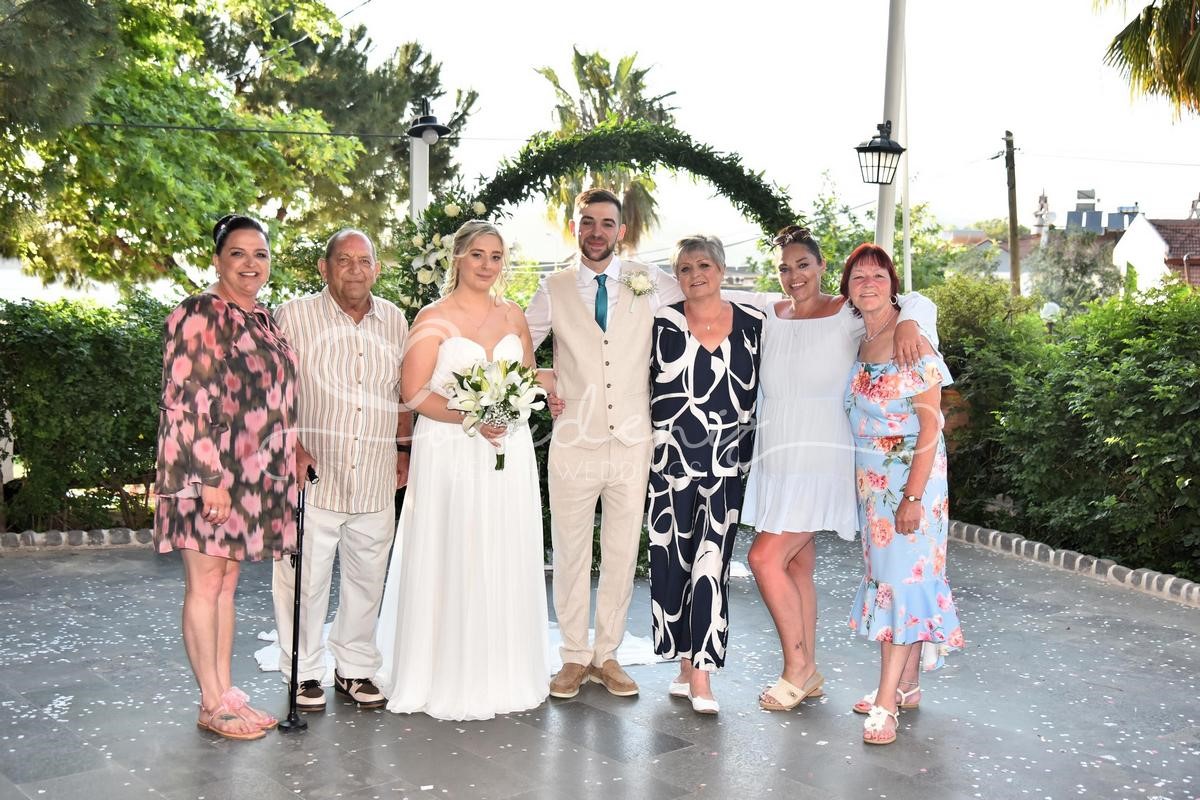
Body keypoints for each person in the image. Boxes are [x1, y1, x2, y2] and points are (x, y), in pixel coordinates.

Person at [742, 225, 940, 712]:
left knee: (764, 559)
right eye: (785, 267)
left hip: (821, 457)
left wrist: (912, 320)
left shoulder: (847, 313)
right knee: (795, 563)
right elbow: (700, 287)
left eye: (803, 265)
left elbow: (912, 300)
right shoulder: (770, 312)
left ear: (822, 267)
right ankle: (810, 669)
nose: (794, 275)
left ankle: (797, 669)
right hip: (778, 457)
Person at [376, 220, 550, 721]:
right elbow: (413, 392)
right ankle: (442, 670)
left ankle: (504, 669)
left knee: (502, 546)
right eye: (477, 254)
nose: (487, 265)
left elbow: (526, 378)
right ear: (457, 258)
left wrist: (523, 402)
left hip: (508, 451)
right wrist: (473, 416)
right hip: (451, 451)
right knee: (456, 545)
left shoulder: (514, 314)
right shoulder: (433, 317)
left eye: (496, 256)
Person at [154, 214, 296, 741]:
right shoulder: (202, 312)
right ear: (217, 260)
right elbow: (187, 400)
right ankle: (212, 702)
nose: (250, 264)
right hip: (208, 472)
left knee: (226, 584)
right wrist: (210, 478)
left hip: (250, 475)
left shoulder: (262, 318)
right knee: (206, 582)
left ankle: (224, 691)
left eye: (260, 254)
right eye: (238, 253)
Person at [270, 229, 411, 712]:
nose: (355, 270)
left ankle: (354, 668)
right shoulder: (293, 316)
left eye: (364, 261)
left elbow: (402, 393)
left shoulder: (394, 320)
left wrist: (404, 450)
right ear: (324, 268)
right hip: (314, 475)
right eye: (344, 260)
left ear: (377, 268)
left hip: (374, 474)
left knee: (367, 579)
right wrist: (290, 444)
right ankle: (304, 672)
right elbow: (274, 389)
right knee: (303, 581)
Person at [841, 242, 964, 745]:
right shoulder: (863, 340)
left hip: (913, 484)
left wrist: (912, 498)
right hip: (875, 490)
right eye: (858, 277)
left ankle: (887, 702)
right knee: (894, 583)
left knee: (901, 584)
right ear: (849, 291)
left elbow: (932, 423)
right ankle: (907, 685)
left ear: (893, 286)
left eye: (878, 276)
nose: (868, 283)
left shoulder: (911, 340)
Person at [648, 236, 762, 715]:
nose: (696, 274)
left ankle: (703, 675)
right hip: (669, 467)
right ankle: (683, 664)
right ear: (676, 276)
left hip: (726, 467)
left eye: (704, 265)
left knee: (711, 567)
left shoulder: (754, 323)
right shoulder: (662, 323)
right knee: (672, 565)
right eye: (685, 268)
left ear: (721, 268)